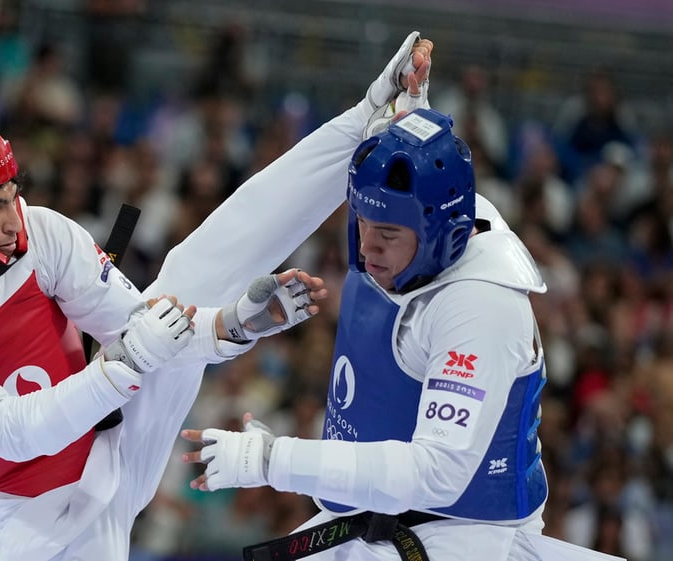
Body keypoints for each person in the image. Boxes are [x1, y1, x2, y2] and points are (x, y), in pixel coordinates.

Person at [0, 30, 434, 561]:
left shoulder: (41, 234)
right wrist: (127, 358)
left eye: (11, 194)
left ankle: (364, 126)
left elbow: (142, 325)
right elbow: (14, 431)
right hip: (48, 523)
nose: (12, 219)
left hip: (120, 433)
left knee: (187, 274)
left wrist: (231, 324)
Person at [181, 109, 627, 561]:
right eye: (362, 222)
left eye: (388, 234)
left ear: (441, 234)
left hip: (460, 538)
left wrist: (273, 460)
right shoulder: (408, 225)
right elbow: (416, 163)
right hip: (366, 522)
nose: (367, 246)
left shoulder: (479, 307)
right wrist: (401, 105)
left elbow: (437, 473)